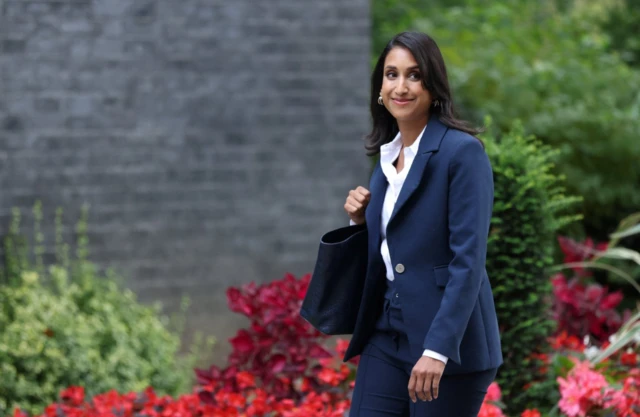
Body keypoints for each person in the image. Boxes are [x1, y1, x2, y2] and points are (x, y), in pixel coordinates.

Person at [342, 31, 503, 417]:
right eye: (391, 74)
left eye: (414, 75)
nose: (401, 86)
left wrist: (437, 350)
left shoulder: (462, 153)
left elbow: (468, 261)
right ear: (379, 87)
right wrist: (357, 222)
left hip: (447, 346)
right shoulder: (385, 161)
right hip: (386, 333)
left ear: (433, 85)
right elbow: (393, 250)